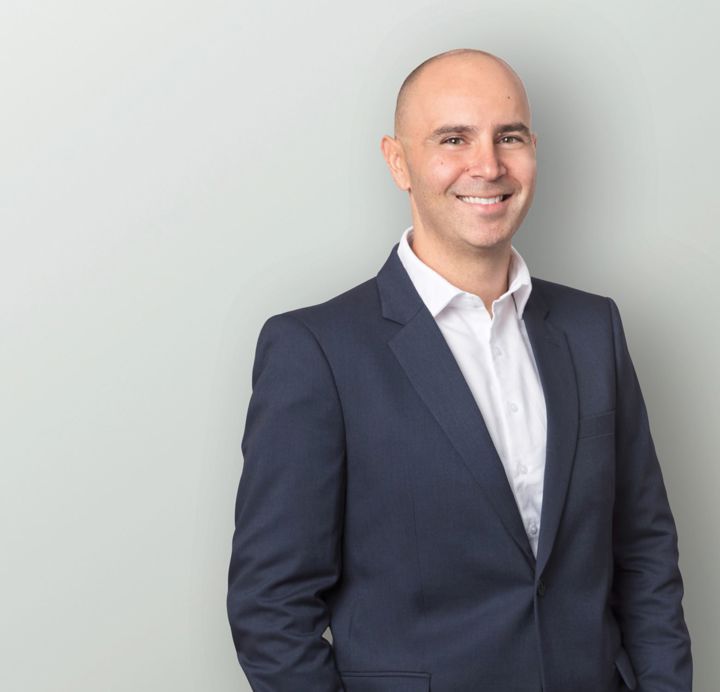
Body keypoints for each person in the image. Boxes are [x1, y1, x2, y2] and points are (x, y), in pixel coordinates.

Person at [226, 49, 692, 692]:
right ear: (398, 162)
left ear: (533, 150)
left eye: (510, 137)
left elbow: (644, 554)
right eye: (454, 139)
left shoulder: (593, 329)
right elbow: (270, 609)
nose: (488, 165)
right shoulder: (316, 351)